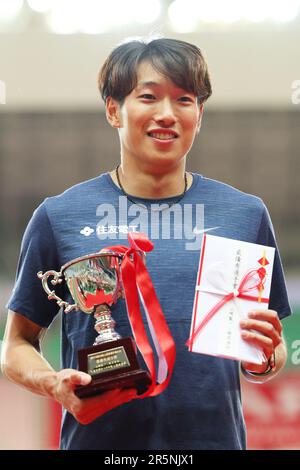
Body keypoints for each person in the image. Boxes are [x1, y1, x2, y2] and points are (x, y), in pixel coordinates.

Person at [1, 37, 291, 450]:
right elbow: (16, 344)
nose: (167, 114)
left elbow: (269, 351)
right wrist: (51, 383)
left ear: (200, 113)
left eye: (184, 100)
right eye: (149, 96)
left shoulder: (243, 215)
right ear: (113, 110)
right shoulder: (60, 215)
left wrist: (264, 359)